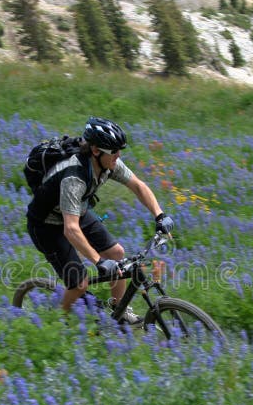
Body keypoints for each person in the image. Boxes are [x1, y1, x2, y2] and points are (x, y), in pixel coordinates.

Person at [26, 116, 174, 323]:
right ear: (95, 151)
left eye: (119, 150)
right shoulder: (74, 177)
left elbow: (138, 186)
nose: (118, 155)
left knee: (117, 254)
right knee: (80, 284)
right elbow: (71, 229)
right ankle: (59, 323)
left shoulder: (108, 162)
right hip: (46, 225)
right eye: (114, 151)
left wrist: (160, 215)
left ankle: (119, 312)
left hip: (75, 212)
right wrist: (99, 261)